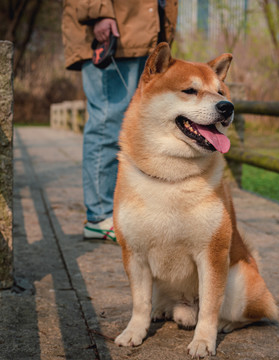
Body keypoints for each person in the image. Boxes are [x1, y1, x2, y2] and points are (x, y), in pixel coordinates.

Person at [62, 0, 178, 241]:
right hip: (114, 32)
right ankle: (100, 216)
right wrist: (97, 13)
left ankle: (124, 213)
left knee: (139, 126)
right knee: (108, 122)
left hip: (143, 33)